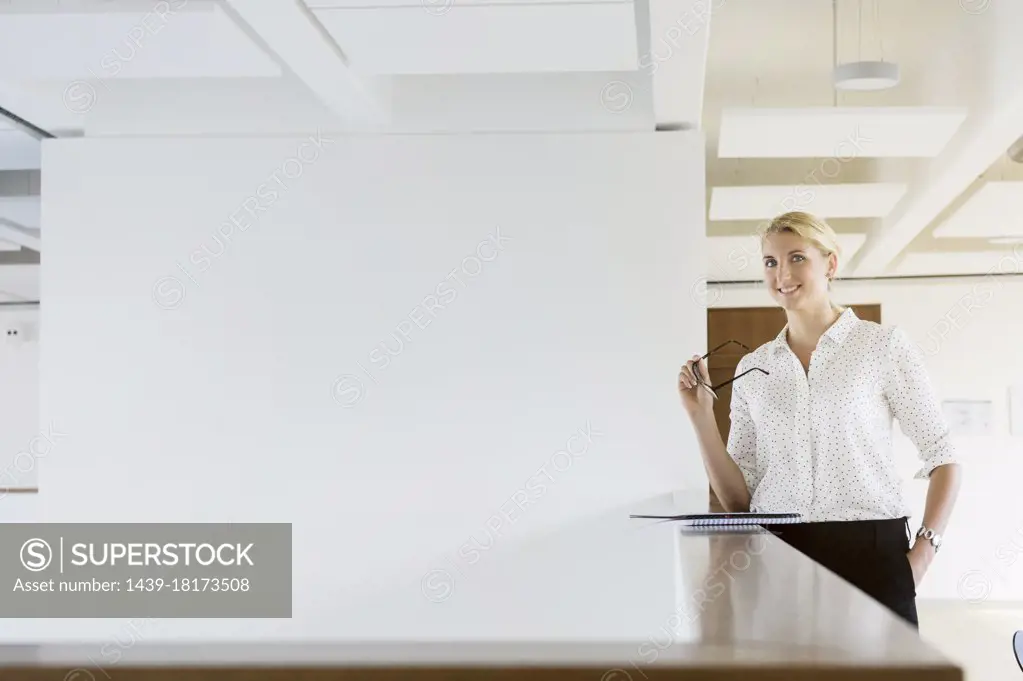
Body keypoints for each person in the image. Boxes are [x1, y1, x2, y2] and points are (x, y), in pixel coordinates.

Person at [677, 210, 963, 630]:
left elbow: (944, 457)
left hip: (872, 550)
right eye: (770, 262)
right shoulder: (755, 370)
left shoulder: (881, 346)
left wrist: (923, 552)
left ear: (830, 264)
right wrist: (701, 418)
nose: (782, 274)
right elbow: (739, 500)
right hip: (777, 551)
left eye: (796, 258)